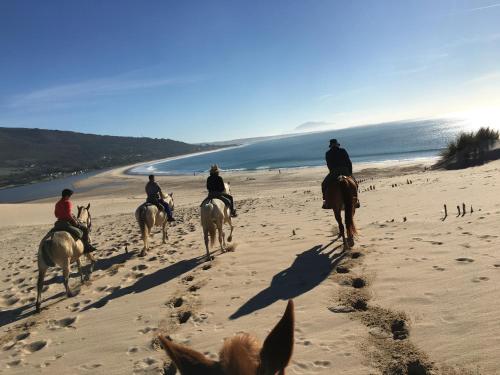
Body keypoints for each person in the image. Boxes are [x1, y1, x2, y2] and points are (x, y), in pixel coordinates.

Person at [54, 189, 96, 253]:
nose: (69, 197)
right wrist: (74, 221)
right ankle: (86, 247)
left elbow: (56, 215)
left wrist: (63, 215)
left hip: (59, 222)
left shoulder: (57, 203)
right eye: (69, 196)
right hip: (67, 221)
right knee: (84, 229)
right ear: (67, 196)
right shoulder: (67, 202)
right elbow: (68, 214)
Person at [321, 139, 360, 209]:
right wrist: (350, 173)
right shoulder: (343, 150)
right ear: (337, 144)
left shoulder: (328, 153)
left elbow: (329, 165)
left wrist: (332, 172)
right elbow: (349, 162)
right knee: (355, 183)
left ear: (331, 146)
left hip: (334, 172)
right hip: (345, 170)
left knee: (324, 184)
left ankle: (325, 201)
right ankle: (356, 200)